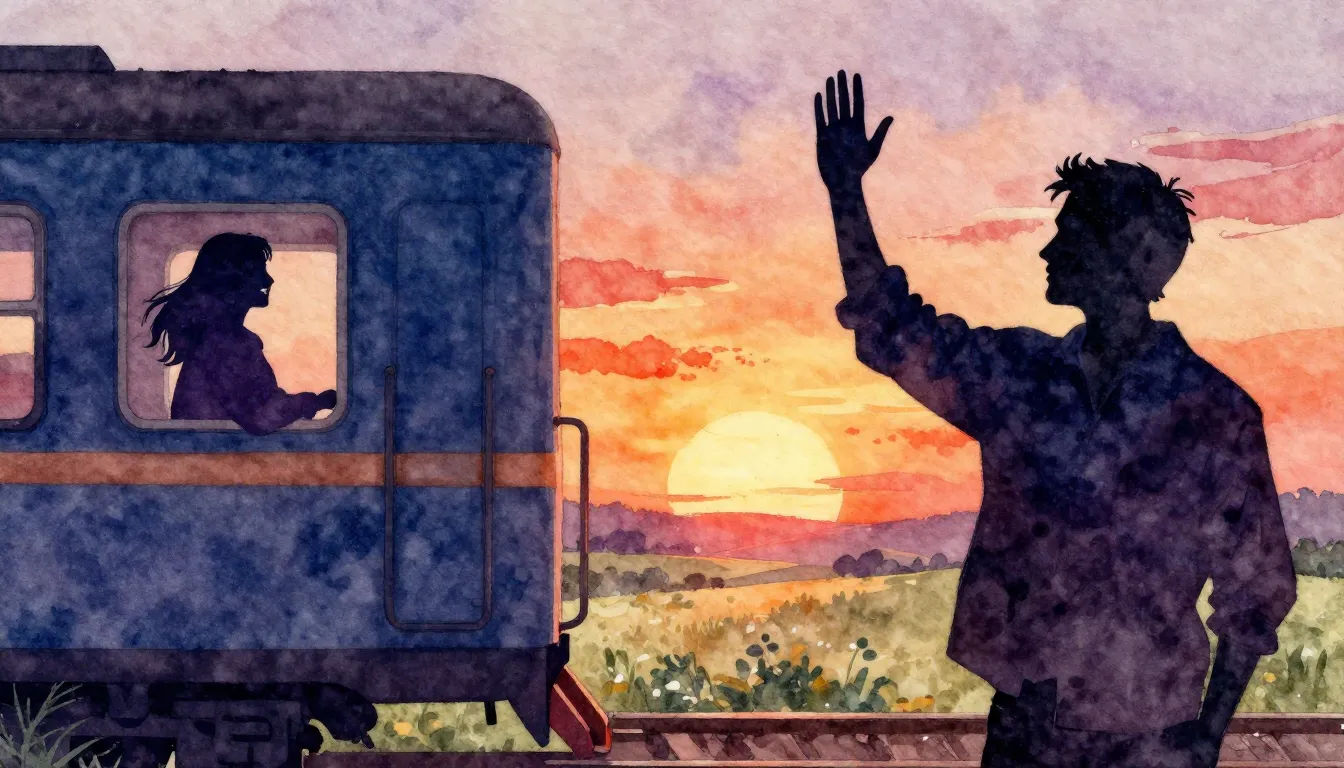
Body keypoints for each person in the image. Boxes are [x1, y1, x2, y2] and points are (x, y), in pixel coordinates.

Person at [816, 71, 1296, 767]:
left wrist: (1205, 741)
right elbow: (895, 331)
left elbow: (1256, 593)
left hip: (1152, 741)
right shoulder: (1022, 374)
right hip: (1026, 729)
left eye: (1070, 237)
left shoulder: (1216, 413)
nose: (1047, 252)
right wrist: (845, 194)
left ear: (1134, 258)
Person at [143, 232, 337, 436]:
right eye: (259, 270)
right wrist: (317, 401)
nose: (269, 279)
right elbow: (261, 416)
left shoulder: (218, 337)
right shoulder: (226, 342)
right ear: (232, 279)